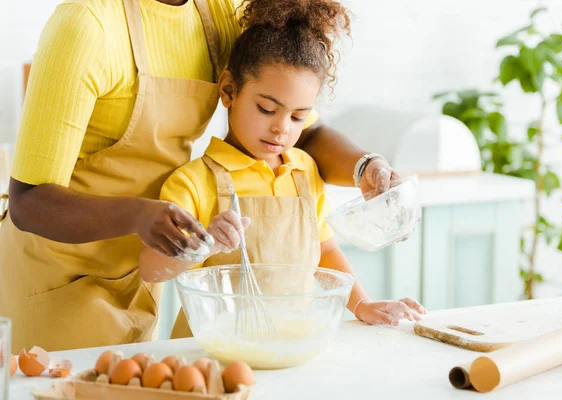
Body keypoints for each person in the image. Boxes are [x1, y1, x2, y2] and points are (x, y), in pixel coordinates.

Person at [0, 0, 408, 353]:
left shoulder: (217, 13)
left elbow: (302, 133)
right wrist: (141, 216)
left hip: (151, 261)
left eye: (294, 117)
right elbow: (28, 201)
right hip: (60, 274)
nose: (283, 125)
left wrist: (365, 167)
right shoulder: (86, 26)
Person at [139, 0, 427, 339]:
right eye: (266, 108)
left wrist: (362, 304)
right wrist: (207, 244)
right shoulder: (192, 182)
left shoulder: (305, 171)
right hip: (210, 350)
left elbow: (325, 251)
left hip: (292, 343)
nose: (281, 129)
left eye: (297, 117)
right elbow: (151, 269)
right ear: (229, 90)